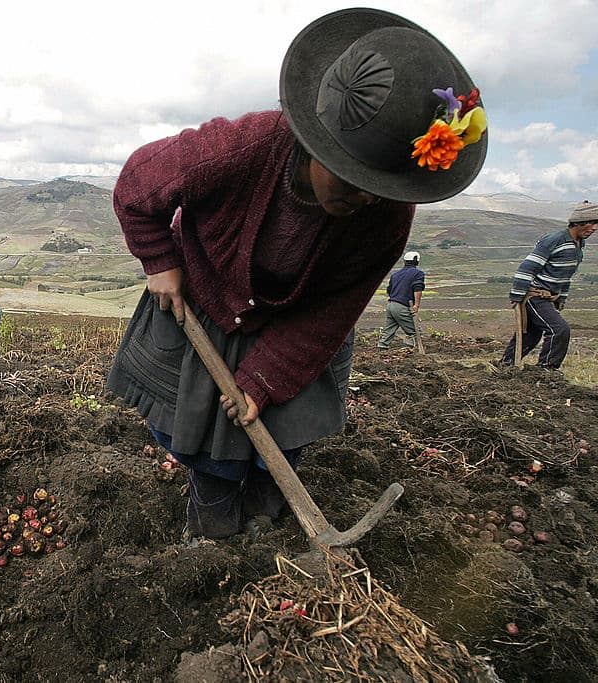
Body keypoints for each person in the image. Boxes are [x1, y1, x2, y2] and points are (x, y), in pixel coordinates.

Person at [106, 8, 487, 540]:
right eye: (354, 180)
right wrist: (160, 260)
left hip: (300, 327)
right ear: (316, 146)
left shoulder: (386, 216)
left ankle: (269, 521)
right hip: (208, 302)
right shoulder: (242, 148)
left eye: (382, 187)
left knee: (281, 434)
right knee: (209, 443)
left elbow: (331, 315)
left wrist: (264, 380)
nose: (367, 198)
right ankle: (211, 528)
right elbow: (136, 184)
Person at [499, 201, 598, 369]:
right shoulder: (554, 240)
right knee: (560, 330)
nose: (594, 228)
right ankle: (546, 370)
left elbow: (566, 275)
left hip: (548, 297)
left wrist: (561, 298)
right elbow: (527, 267)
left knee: (530, 335)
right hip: (535, 296)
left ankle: (505, 366)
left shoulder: (578, 245)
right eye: (592, 222)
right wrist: (516, 295)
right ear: (579, 222)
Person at [377, 251, 426, 349]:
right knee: (415, 332)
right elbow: (418, 288)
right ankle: (407, 349)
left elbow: (389, 291)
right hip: (402, 306)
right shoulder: (418, 274)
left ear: (404, 262)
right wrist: (416, 305)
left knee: (389, 329)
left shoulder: (395, 274)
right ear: (417, 262)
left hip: (391, 305)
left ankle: (382, 347)